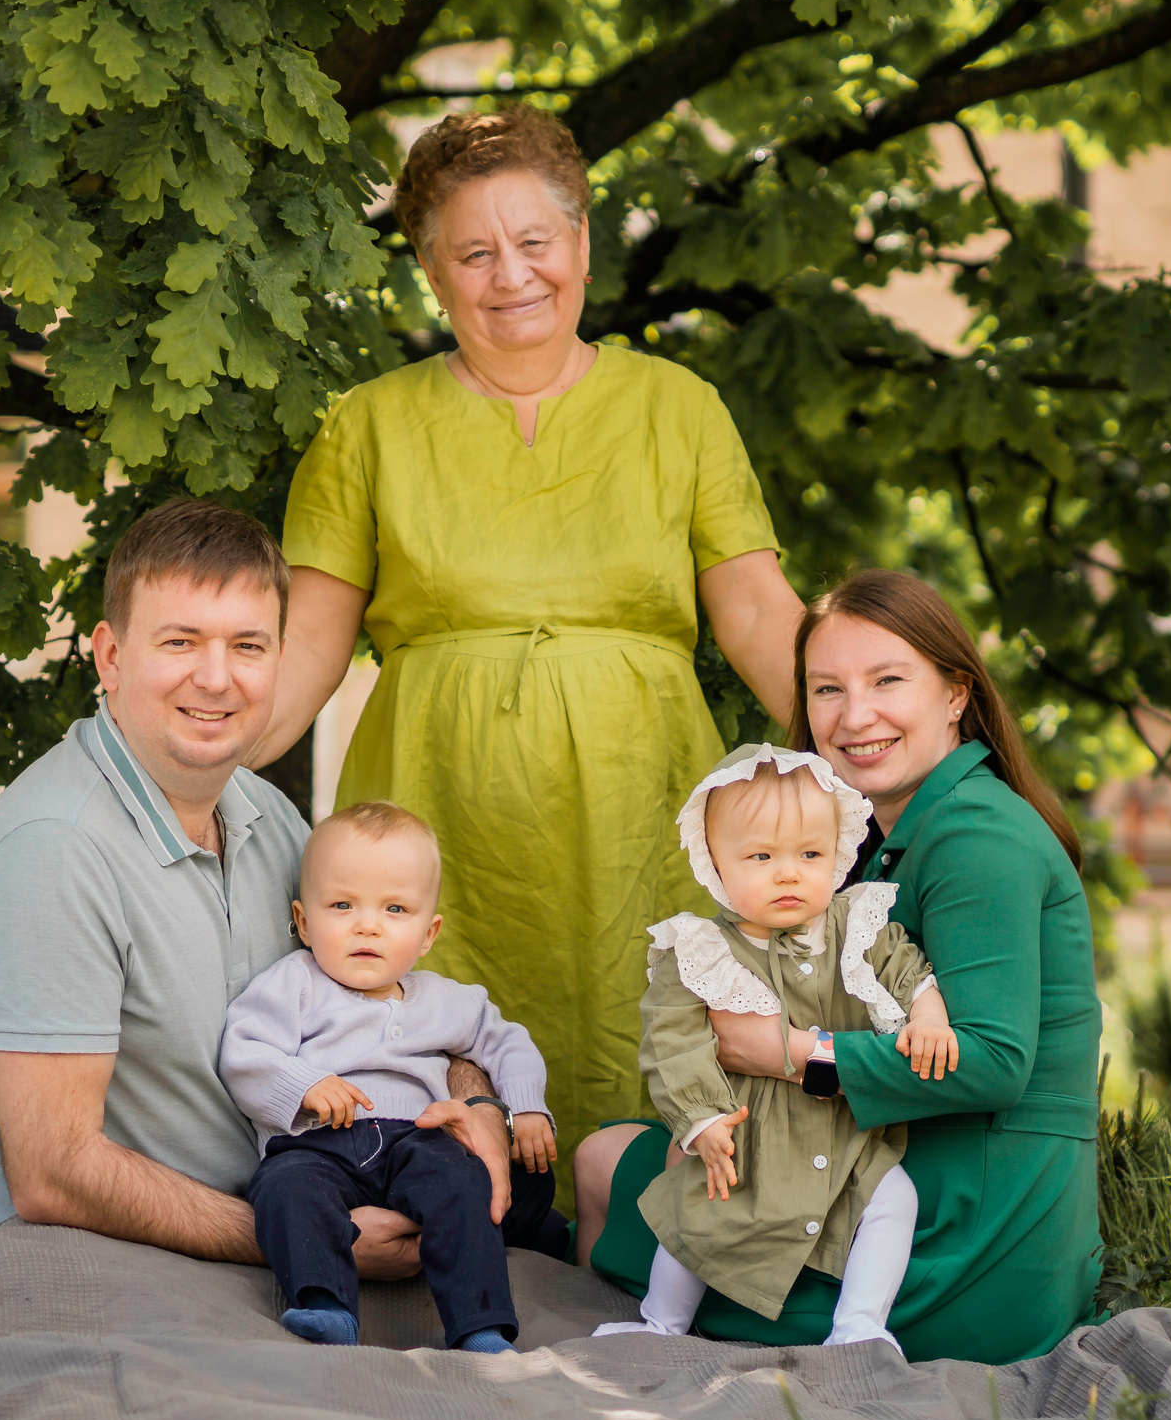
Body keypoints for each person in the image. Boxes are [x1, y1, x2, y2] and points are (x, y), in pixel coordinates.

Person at [249, 104, 806, 1175]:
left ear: (583, 244)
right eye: (473, 251)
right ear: (430, 272)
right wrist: (186, 775)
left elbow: (754, 615)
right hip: (433, 820)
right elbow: (306, 649)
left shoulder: (678, 408)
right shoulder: (365, 425)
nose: (511, 274)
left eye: (534, 242)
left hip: (644, 815)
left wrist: (881, 756)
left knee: (645, 1076)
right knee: (437, 1099)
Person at [0, 499, 536, 1280]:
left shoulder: (270, 819)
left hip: (254, 1249)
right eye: (180, 641)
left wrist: (477, 1101)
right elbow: (55, 1173)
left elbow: (391, 996)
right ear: (110, 656)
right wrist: (314, 1234)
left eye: (247, 645)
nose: (216, 678)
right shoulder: (55, 850)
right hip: (66, 1279)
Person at [577, 571, 1105, 1366]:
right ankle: (654, 1347)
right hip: (933, 1172)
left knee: (604, 1162)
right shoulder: (889, 836)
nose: (854, 715)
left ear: (956, 693)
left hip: (976, 1232)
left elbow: (994, 1064)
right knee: (662, 1152)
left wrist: (786, 1055)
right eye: (827, 689)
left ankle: (642, 1367)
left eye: (888, 680)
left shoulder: (975, 837)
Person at [593, 746, 957, 1349]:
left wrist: (929, 1017)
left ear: (838, 852)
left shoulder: (857, 925)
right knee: (699, 1215)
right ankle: (661, 1324)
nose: (789, 873)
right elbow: (673, 1043)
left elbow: (908, 972)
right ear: (716, 864)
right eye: (761, 856)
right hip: (748, 1131)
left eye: (810, 854)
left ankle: (859, 1327)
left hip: (846, 1134)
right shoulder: (702, 950)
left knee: (894, 1199)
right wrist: (703, 1120)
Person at [222, 803, 556, 1352]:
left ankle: (481, 1326)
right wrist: (302, 1084)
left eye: (395, 908)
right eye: (342, 905)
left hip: (418, 1138)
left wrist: (525, 1107)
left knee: (465, 1181)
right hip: (316, 1145)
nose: (368, 924)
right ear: (304, 922)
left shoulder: (448, 1000)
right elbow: (244, 1051)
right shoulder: (296, 984)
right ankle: (325, 1307)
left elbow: (509, 1042)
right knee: (284, 1189)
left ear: (429, 933)